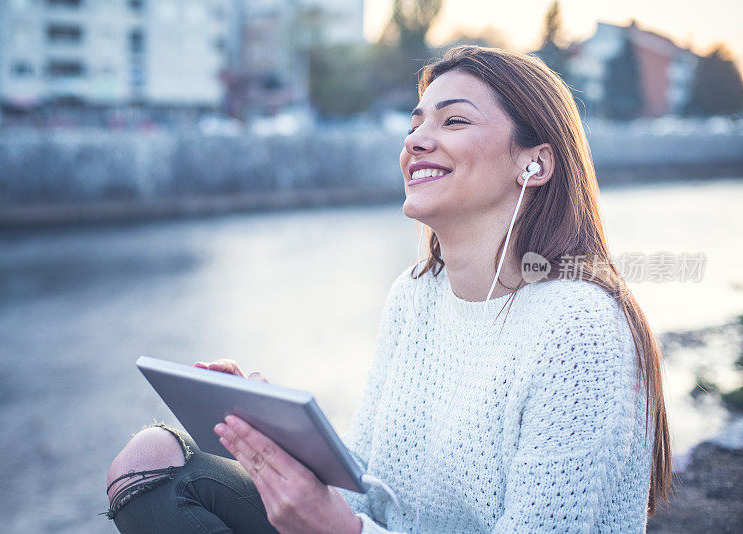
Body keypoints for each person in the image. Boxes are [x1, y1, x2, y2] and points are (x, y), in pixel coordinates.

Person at [105, 45, 673, 533]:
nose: (416, 142)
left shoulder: (580, 325)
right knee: (150, 463)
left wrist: (342, 530)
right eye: (414, 124)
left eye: (452, 122)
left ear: (535, 163)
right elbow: (369, 490)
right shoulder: (415, 295)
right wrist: (281, 442)